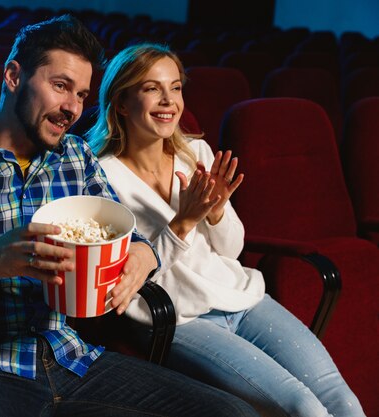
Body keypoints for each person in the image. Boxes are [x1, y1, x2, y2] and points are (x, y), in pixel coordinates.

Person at [0, 16, 259, 417]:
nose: (72, 108)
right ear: (14, 76)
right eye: (60, 86)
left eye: (83, 95)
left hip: (72, 357)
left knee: (235, 413)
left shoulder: (75, 156)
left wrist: (144, 255)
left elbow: (127, 234)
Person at [86, 42, 366, 417]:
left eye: (176, 87)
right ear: (120, 101)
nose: (169, 100)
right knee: (304, 408)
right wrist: (182, 222)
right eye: (152, 88)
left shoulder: (195, 153)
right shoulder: (101, 176)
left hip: (240, 297)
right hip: (178, 316)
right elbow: (127, 275)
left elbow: (231, 251)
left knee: (343, 401)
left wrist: (216, 211)